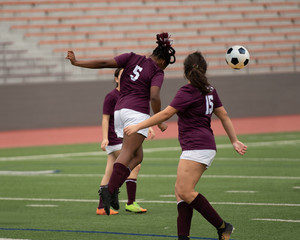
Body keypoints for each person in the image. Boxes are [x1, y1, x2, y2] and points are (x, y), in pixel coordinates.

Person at [124, 51, 247, 240]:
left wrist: (139, 125)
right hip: (201, 146)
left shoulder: (188, 91)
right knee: (180, 192)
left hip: (197, 146)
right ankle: (184, 237)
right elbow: (224, 115)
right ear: (204, 70)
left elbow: (166, 114)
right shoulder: (210, 89)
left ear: (186, 71)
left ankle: (223, 226)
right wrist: (234, 140)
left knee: (184, 191)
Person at [66, 32, 176, 216]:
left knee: (137, 156)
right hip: (136, 113)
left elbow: (102, 63)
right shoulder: (158, 71)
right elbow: (155, 96)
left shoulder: (132, 57)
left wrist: (77, 63)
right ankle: (108, 190)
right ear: (163, 61)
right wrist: (159, 118)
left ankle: (113, 189)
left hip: (120, 111)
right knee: (127, 153)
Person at [97, 68, 152, 215]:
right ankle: (129, 202)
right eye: (122, 76)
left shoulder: (129, 94)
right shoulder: (111, 96)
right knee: (134, 163)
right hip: (115, 138)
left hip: (125, 135)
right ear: (116, 79)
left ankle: (101, 206)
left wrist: (148, 126)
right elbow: (105, 118)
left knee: (110, 171)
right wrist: (105, 138)